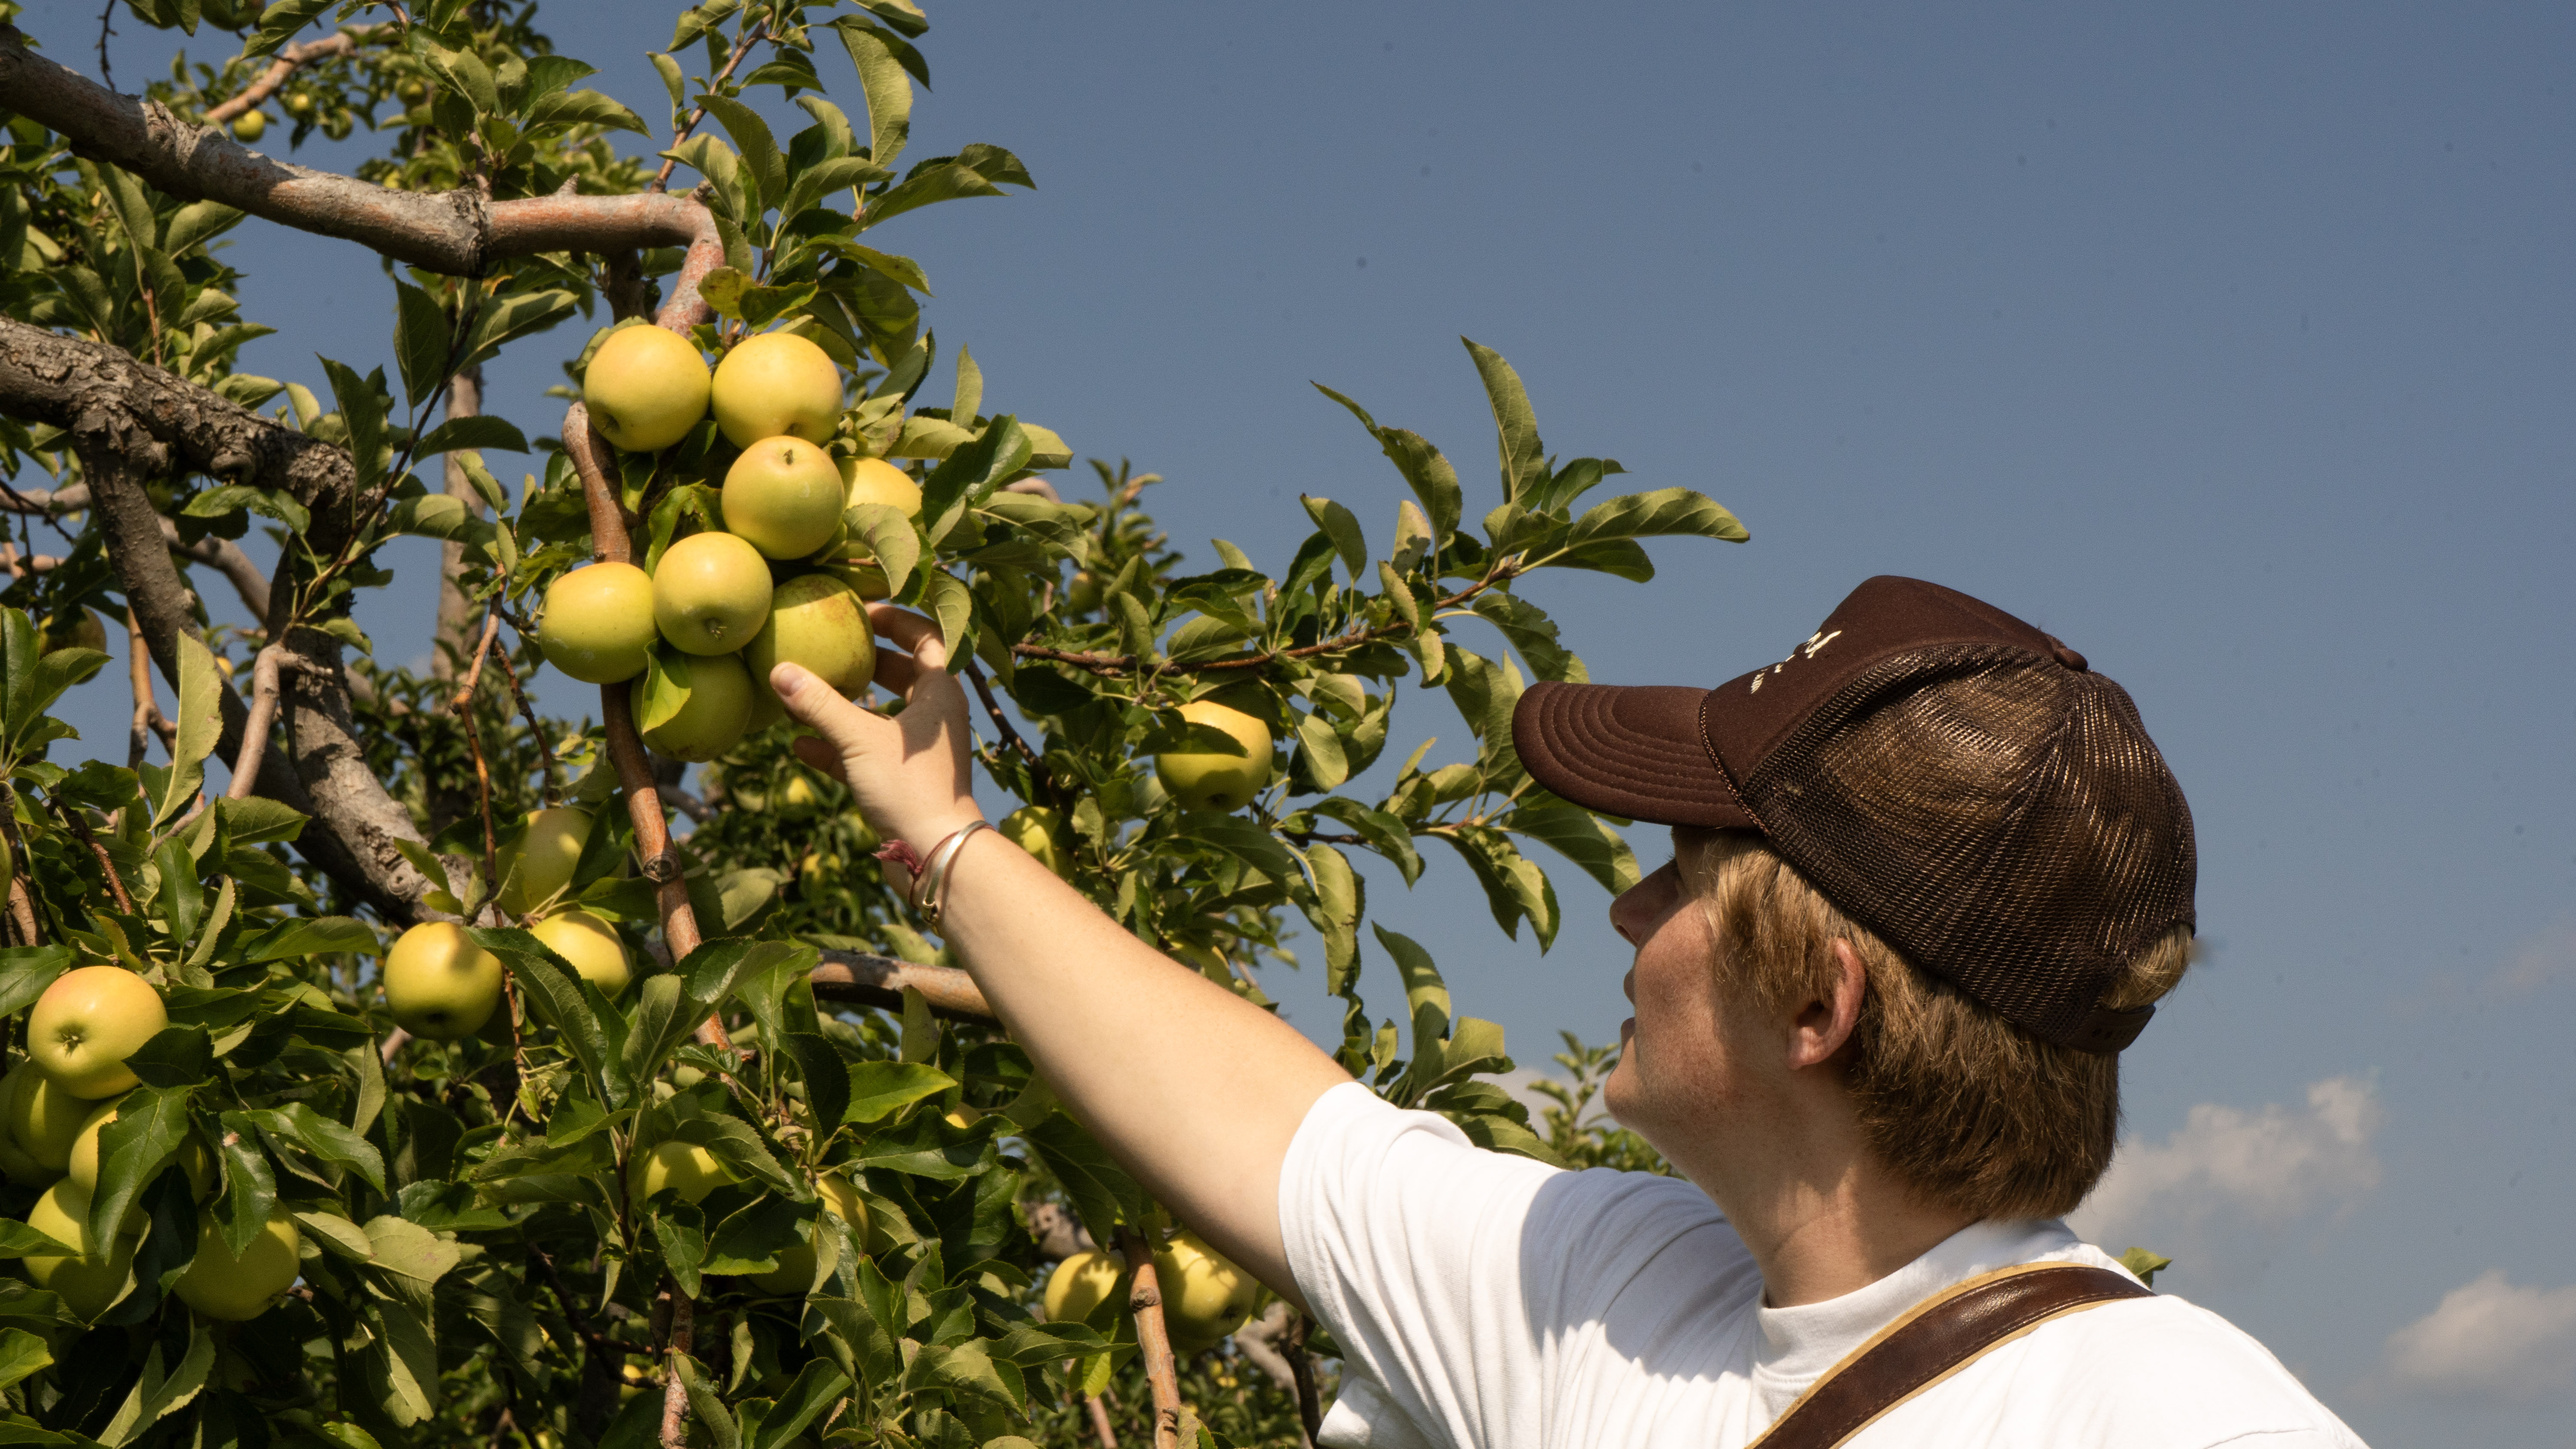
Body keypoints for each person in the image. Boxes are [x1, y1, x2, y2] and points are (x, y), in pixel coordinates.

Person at [769, 574, 2367, 1448]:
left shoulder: (2165, 1423)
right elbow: (1267, 1128)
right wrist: (944, 836)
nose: (1625, 911)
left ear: (1815, 1000)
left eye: (1681, 880)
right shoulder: (1623, 1290)